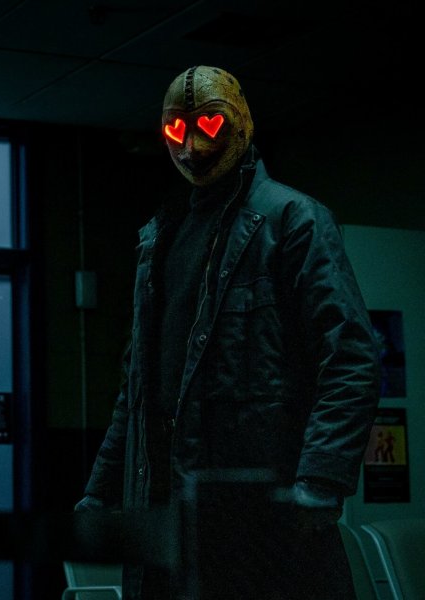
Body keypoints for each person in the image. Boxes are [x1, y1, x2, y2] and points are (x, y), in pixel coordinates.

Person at [75, 65, 381, 599]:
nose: (191, 147)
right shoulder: (158, 240)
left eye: (209, 126)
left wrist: (320, 479)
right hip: (171, 521)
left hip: (261, 518)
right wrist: (101, 492)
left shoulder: (294, 221)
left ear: (240, 122)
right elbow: (138, 392)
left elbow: (351, 357)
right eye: (176, 130)